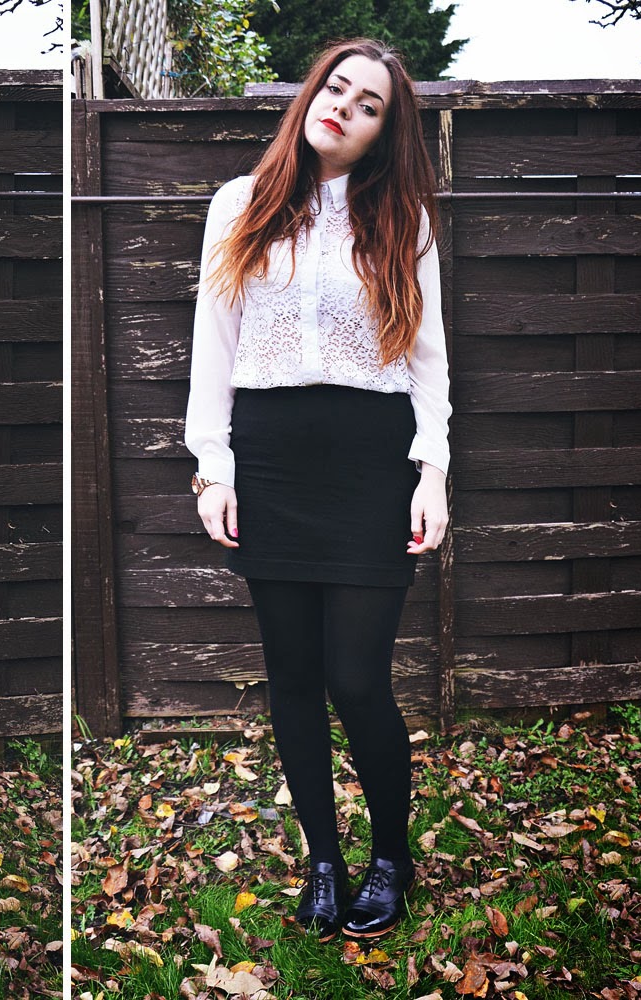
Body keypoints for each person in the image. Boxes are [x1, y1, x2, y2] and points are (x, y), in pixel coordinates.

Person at [184, 38, 451, 942]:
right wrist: (213, 466)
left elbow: (428, 362)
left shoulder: (404, 220)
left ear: (384, 133)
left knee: (357, 678)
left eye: (369, 104)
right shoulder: (239, 204)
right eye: (337, 88)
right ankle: (326, 862)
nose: (344, 107)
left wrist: (432, 471)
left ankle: (392, 857)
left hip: (371, 461)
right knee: (294, 678)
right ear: (311, 96)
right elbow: (213, 346)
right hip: (270, 459)